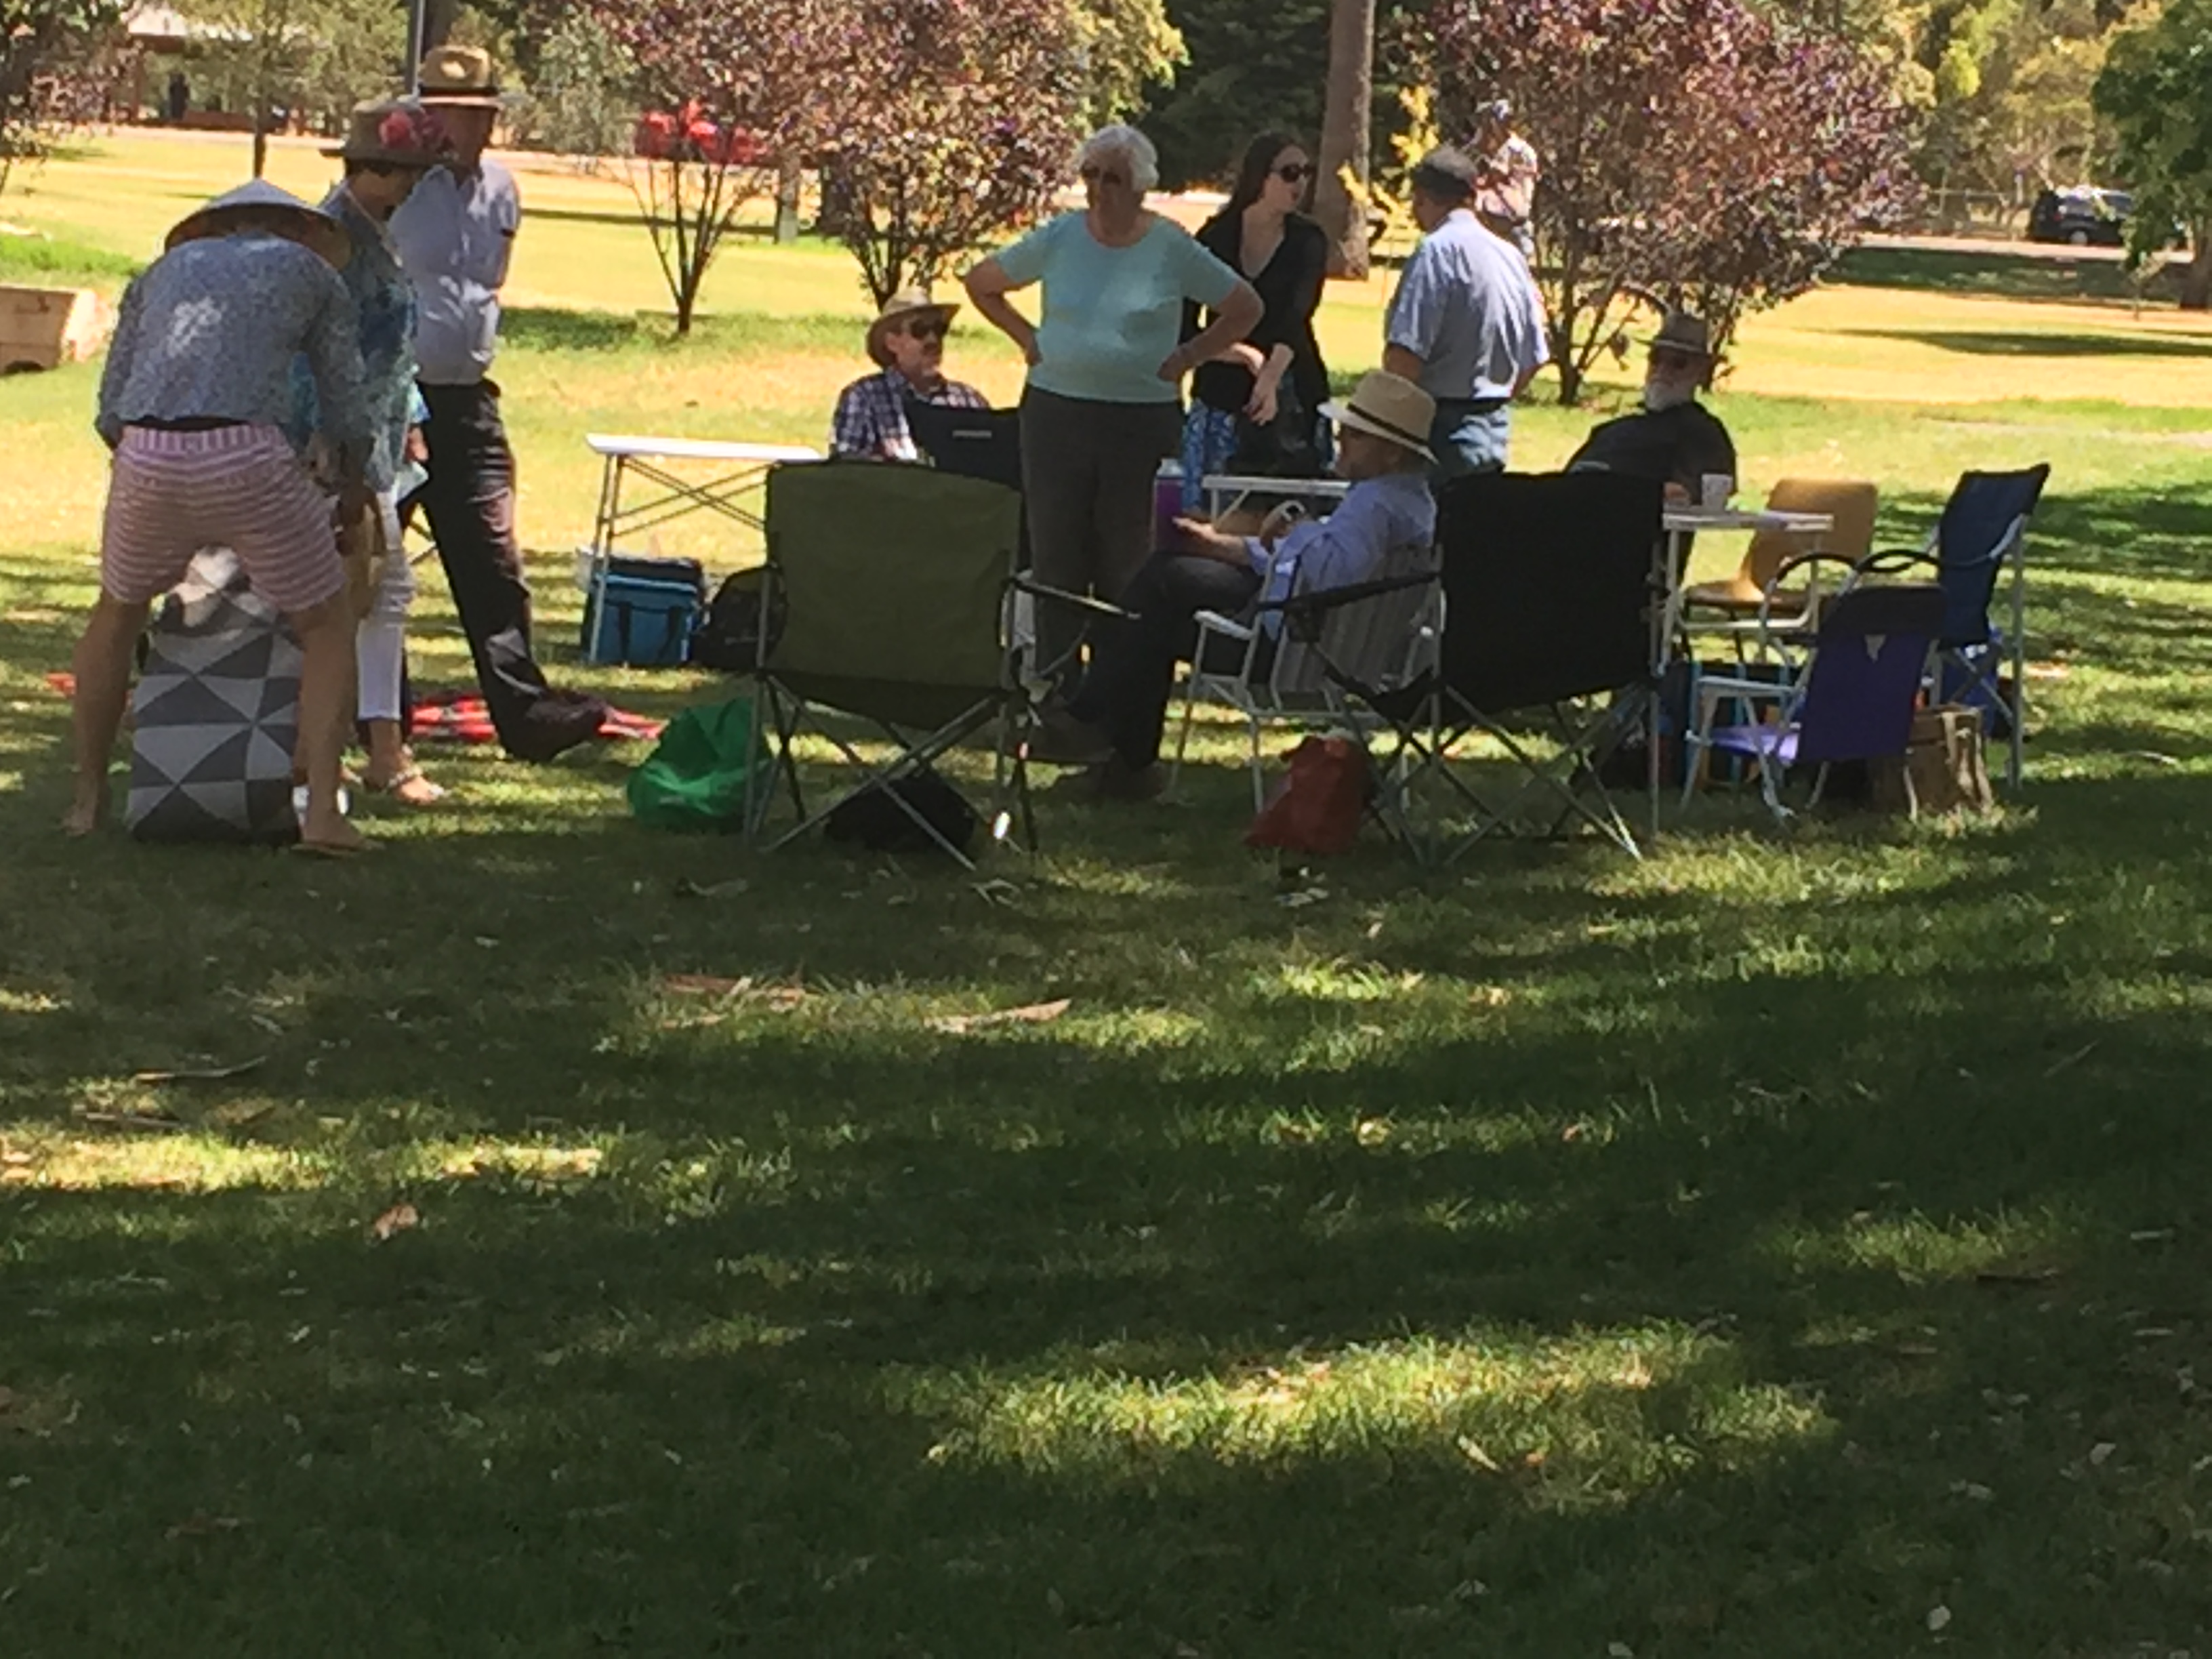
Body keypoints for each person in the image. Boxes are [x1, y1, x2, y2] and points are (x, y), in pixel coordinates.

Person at [68, 181, 372, 854]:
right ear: (301, 229)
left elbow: (111, 405)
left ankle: (87, 799)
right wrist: (352, 485)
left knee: (116, 612)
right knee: (326, 623)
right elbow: (346, 403)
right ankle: (324, 813)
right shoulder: (312, 273)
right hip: (247, 453)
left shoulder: (160, 274)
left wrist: (142, 465)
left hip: (146, 451)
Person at [963, 124, 1263, 690]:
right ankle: (1056, 690)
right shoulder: (1060, 237)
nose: (1100, 189)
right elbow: (981, 283)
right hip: (1056, 415)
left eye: (1114, 178)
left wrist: (1191, 354)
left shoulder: (1170, 246)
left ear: (1142, 186)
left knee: (1128, 560)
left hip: (1140, 421)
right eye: (1091, 175)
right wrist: (1028, 338)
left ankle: (1117, 691)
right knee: (1057, 556)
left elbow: (1245, 306)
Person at [1058, 370, 1439, 800]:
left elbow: (1330, 576)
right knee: (1162, 591)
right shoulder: (1413, 503)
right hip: (1342, 646)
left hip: (1297, 651)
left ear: (1392, 453)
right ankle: (1114, 750)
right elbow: (1325, 566)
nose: (1340, 440)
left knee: (1154, 608)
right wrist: (1225, 547)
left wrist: (1297, 528)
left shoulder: (1374, 506)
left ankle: (1094, 727)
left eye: (1355, 435)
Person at [390, 45, 609, 763]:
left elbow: (486, 285)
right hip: (395, 400)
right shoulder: (390, 185)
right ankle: (379, 719)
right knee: (376, 564)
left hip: (469, 401)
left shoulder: (502, 190)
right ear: (426, 114)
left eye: (483, 114)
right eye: (457, 113)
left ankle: (526, 714)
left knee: (494, 563)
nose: (473, 127)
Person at [300, 99, 452, 806]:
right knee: (351, 594)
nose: (411, 187)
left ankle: (375, 748)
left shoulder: (376, 233)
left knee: (382, 590)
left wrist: (412, 415)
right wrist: (335, 448)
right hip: (341, 443)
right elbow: (323, 352)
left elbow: (394, 348)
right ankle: (348, 751)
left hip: (382, 435)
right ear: (370, 167)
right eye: (402, 173)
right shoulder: (333, 238)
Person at [1179, 131, 1332, 511]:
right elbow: (1185, 329)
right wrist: (1244, 357)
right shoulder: (1215, 238)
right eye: (1290, 173)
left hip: (1293, 394)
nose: (1300, 183)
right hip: (1221, 396)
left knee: (1288, 512)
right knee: (1212, 514)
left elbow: (1296, 316)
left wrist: (1268, 378)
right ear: (1260, 176)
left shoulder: (1308, 240)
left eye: (1307, 173)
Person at [1382, 146, 1550, 480]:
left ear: (1422, 198)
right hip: (1493, 430)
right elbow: (1533, 358)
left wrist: (1387, 426)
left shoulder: (1435, 252)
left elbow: (1406, 355)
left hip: (1438, 432)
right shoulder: (1510, 257)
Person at [1565, 312, 1736, 501]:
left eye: (1678, 364)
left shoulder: (1702, 435)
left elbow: (1689, 497)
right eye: (1656, 360)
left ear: (1701, 372)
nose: (1662, 371)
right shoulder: (1612, 431)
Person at [829, 289, 988, 461]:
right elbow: (846, 470)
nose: (933, 340)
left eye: (939, 329)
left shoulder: (969, 400)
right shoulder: (864, 398)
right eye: (920, 330)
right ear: (892, 343)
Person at [1471, 101, 1540, 257]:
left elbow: (1493, 177)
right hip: (1515, 220)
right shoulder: (1523, 149)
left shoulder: (1512, 150)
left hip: (1507, 222)